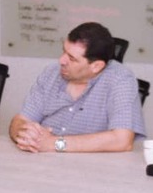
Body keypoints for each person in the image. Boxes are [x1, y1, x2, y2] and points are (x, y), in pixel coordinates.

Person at [9, 22, 144, 153]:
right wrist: (25, 135)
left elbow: (122, 140)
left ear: (96, 66)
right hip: (39, 158)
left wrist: (54, 143)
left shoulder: (120, 79)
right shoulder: (51, 72)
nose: (61, 61)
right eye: (64, 51)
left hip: (90, 165)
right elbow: (20, 120)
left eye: (72, 58)